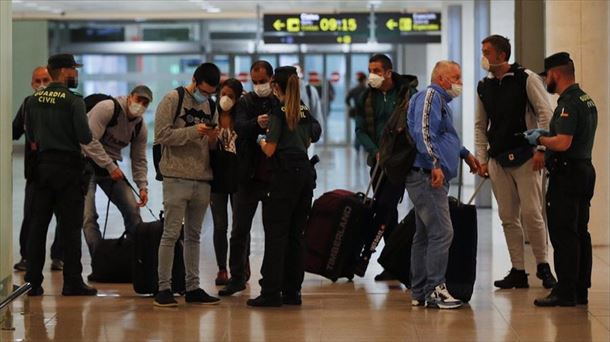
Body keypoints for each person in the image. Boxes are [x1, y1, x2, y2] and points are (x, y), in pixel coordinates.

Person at [474, 35, 557, 289]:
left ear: (501, 55)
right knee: (508, 217)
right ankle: (518, 270)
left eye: (487, 52)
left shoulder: (526, 78)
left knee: (532, 214)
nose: (484, 57)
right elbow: (480, 125)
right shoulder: (484, 87)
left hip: (527, 157)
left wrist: (542, 147)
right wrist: (482, 160)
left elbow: (546, 113)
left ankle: (543, 266)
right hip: (498, 159)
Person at [524, 52, 597, 307]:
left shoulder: (567, 104)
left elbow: (563, 143)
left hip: (567, 174)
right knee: (580, 232)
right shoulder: (586, 99)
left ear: (555, 73)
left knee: (563, 234)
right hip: (585, 170)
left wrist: (540, 140)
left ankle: (564, 292)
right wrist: (548, 133)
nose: (546, 82)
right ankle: (580, 290)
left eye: (547, 77)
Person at [406, 60, 480, 309]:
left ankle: (419, 291)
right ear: (441, 78)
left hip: (430, 174)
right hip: (427, 175)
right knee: (442, 232)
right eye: (456, 77)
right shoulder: (430, 96)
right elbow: (423, 132)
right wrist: (435, 163)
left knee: (425, 234)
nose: (459, 82)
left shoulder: (441, 102)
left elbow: (443, 134)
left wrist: (464, 153)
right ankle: (434, 290)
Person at [247, 66, 321, 307]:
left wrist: (259, 139)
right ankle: (292, 292)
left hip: (284, 176)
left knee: (276, 233)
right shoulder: (305, 110)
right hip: (305, 175)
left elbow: (270, 149)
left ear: (276, 86)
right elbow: (310, 139)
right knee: (296, 235)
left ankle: (270, 292)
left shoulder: (278, 112)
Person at [24, 53, 97, 296]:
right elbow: (84, 137)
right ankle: (72, 282)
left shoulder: (32, 100)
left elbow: (32, 136)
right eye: (73, 69)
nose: (76, 73)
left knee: (38, 226)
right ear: (64, 71)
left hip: (42, 168)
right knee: (70, 227)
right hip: (68, 169)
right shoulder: (74, 100)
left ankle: (32, 282)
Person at [153, 62, 221, 307]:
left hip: (202, 177)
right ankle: (164, 288)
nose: (206, 96)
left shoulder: (211, 105)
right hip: (176, 176)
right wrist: (194, 131)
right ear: (194, 80)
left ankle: (193, 287)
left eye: (211, 92)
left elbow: (210, 145)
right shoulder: (173, 99)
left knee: (194, 236)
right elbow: (161, 135)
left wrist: (213, 137)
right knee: (171, 234)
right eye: (204, 90)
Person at [355, 54, 418, 280]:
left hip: (401, 161)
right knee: (387, 214)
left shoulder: (407, 95)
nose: (372, 74)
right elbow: (360, 130)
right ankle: (395, 264)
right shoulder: (366, 97)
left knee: (384, 207)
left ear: (389, 72)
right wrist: (375, 151)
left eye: (377, 70)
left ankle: (376, 258)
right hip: (378, 162)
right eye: (370, 69)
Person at [219, 60, 277, 297]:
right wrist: (257, 123)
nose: (259, 85)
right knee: (239, 230)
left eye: (263, 81)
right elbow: (240, 127)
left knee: (274, 231)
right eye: (255, 82)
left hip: (273, 177)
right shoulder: (245, 102)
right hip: (248, 176)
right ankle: (237, 277)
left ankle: (271, 278)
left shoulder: (280, 101)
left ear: (272, 79)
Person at [81, 85, 153, 259]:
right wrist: (111, 167)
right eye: (138, 100)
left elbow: (139, 159)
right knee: (88, 216)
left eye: (145, 103)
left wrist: (142, 186)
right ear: (129, 97)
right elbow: (88, 140)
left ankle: (137, 260)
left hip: (109, 166)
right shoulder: (107, 108)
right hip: (84, 162)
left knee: (132, 209)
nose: (140, 105)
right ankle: (99, 261)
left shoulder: (140, 127)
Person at [12, 66, 64, 272]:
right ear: (32, 84)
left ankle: (58, 256)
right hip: (35, 174)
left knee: (63, 217)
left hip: (61, 172)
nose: (41, 84)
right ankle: (27, 257)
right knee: (32, 217)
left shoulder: (63, 105)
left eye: (45, 80)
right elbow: (14, 131)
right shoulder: (27, 105)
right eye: (37, 81)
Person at [209, 78, 243, 286]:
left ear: (238, 98)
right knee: (220, 224)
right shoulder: (211, 115)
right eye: (223, 94)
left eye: (230, 96)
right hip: (217, 176)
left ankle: (241, 263)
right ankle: (222, 268)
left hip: (238, 176)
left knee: (240, 225)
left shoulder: (243, 117)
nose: (226, 99)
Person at [345, 71, 367, 151]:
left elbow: (347, 99)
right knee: (364, 130)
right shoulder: (366, 90)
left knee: (358, 129)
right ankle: (364, 146)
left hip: (356, 112)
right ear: (364, 80)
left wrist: (351, 107)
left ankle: (357, 146)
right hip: (365, 113)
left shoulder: (354, 90)